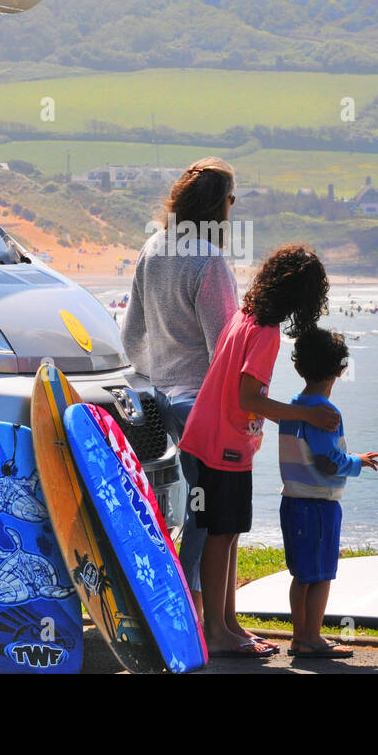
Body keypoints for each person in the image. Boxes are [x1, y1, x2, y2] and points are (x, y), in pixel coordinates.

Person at [179, 244, 339, 657]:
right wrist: (303, 418)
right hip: (221, 447)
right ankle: (215, 631)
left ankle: (228, 624)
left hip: (217, 441)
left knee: (228, 534)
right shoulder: (266, 334)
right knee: (220, 535)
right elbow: (249, 396)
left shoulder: (245, 318)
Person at [120, 157, 239, 624]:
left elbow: (131, 333)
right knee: (213, 514)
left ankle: (207, 611)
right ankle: (195, 608)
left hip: (165, 396)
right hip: (204, 404)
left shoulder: (153, 248)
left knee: (197, 507)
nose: (233, 207)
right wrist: (237, 413)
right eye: (231, 199)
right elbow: (226, 351)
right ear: (218, 205)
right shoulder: (208, 260)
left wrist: (156, 378)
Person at [278, 327, 378, 658]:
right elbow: (327, 462)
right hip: (318, 504)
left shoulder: (290, 409)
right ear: (341, 369)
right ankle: (312, 638)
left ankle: (299, 636)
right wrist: (358, 462)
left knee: (301, 574)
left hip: (292, 501)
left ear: (298, 367)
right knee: (321, 574)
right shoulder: (325, 413)